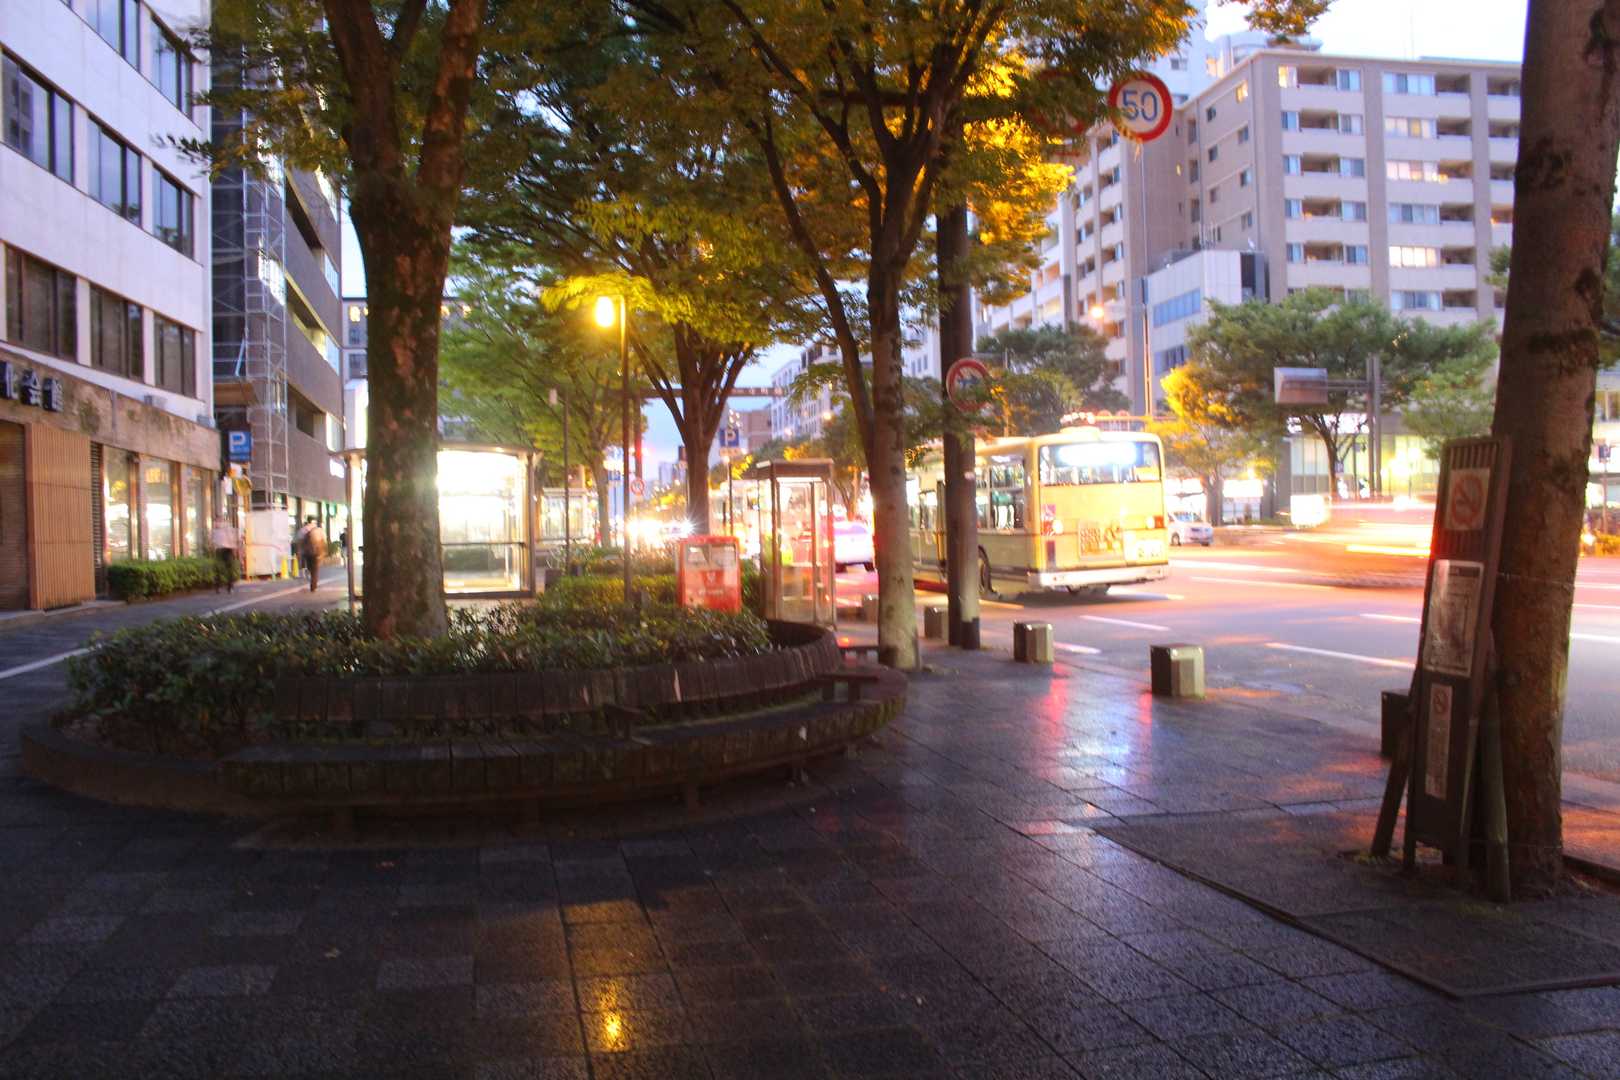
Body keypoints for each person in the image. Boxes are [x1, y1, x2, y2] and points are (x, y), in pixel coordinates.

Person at [294, 516, 327, 592]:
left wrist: (299, 552)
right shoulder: (319, 530)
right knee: (315, 569)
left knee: (310, 567)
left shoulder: (303, 530)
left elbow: (298, 542)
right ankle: (313, 585)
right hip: (316, 552)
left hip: (306, 552)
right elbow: (323, 541)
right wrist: (324, 551)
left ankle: (310, 575)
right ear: (314, 521)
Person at [210, 516, 240, 593]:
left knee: (229, 569)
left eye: (218, 521)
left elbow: (233, 538)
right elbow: (212, 541)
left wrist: (234, 548)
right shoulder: (214, 530)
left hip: (227, 549)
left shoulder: (227, 528)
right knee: (218, 568)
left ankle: (229, 587)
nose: (216, 523)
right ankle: (218, 586)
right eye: (216, 521)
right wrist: (213, 547)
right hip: (219, 550)